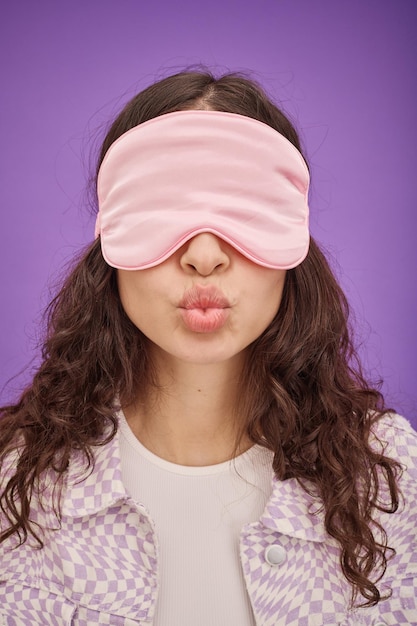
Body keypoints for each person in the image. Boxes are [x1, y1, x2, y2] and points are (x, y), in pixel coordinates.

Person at [0, 70, 416, 626]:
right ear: (108, 236)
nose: (203, 254)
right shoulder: (15, 480)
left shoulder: (390, 477)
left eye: (243, 209)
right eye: (166, 209)